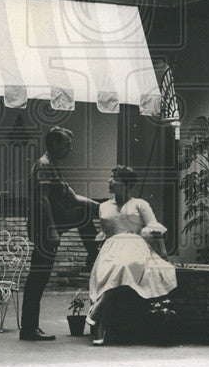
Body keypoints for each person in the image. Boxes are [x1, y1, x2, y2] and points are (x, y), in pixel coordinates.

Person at [20, 126, 100, 341]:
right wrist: (53, 230)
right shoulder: (44, 166)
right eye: (66, 145)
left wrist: (102, 208)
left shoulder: (52, 166)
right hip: (45, 228)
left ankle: (93, 253)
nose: (69, 149)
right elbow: (42, 199)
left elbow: (73, 198)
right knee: (38, 277)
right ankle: (28, 329)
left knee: (84, 211)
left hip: (52, 225)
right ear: (54, 144)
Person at [87, 165, 177, 345]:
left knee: (124, 265)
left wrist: (164, 256)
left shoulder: (140, 204)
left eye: (115, 178)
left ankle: (98, 317)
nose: (109, 181)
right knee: (111, 268)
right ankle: (100, 322)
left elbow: (154, 229)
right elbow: (104, 233)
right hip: (111, 248)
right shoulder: (104, 207)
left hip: (135, 247)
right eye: (110, 177)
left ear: (127, 184)